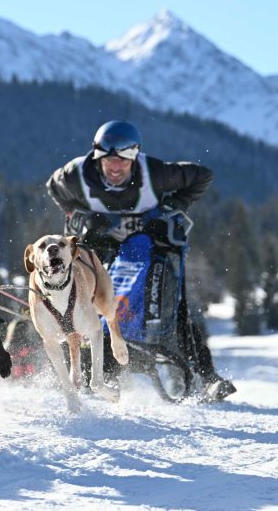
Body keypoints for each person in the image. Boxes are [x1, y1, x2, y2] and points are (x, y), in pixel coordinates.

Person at [45, 120, 236, 402]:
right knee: (85, 303)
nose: (116, 167)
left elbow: (202, 176)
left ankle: (207, 377)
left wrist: (172, 207)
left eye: (123, 160)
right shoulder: (77, 174)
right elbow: (53, 187)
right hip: (102, 248)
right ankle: (81, 371)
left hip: (152, 248)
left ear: (135, 157)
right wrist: (78, 214)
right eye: (109, 160)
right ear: (97, 157)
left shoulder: (155, 173)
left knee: (174, 308)